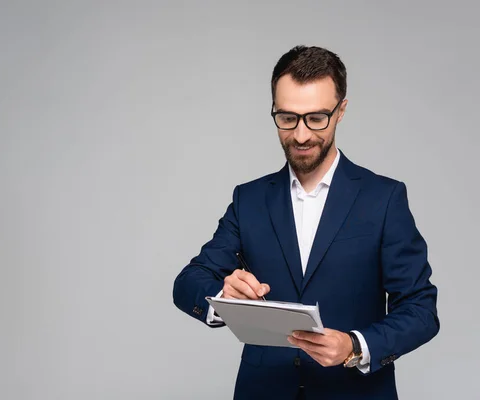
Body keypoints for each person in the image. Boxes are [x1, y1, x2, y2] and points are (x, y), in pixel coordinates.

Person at [172, 45, 439, 400]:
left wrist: (355, 346)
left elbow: (421, 310)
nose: (300, 135)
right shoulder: (248, 199)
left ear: (341, 110)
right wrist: (223, 296)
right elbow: (188, 281)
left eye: (316, 118)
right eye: (287, 118)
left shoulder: (383, 199)